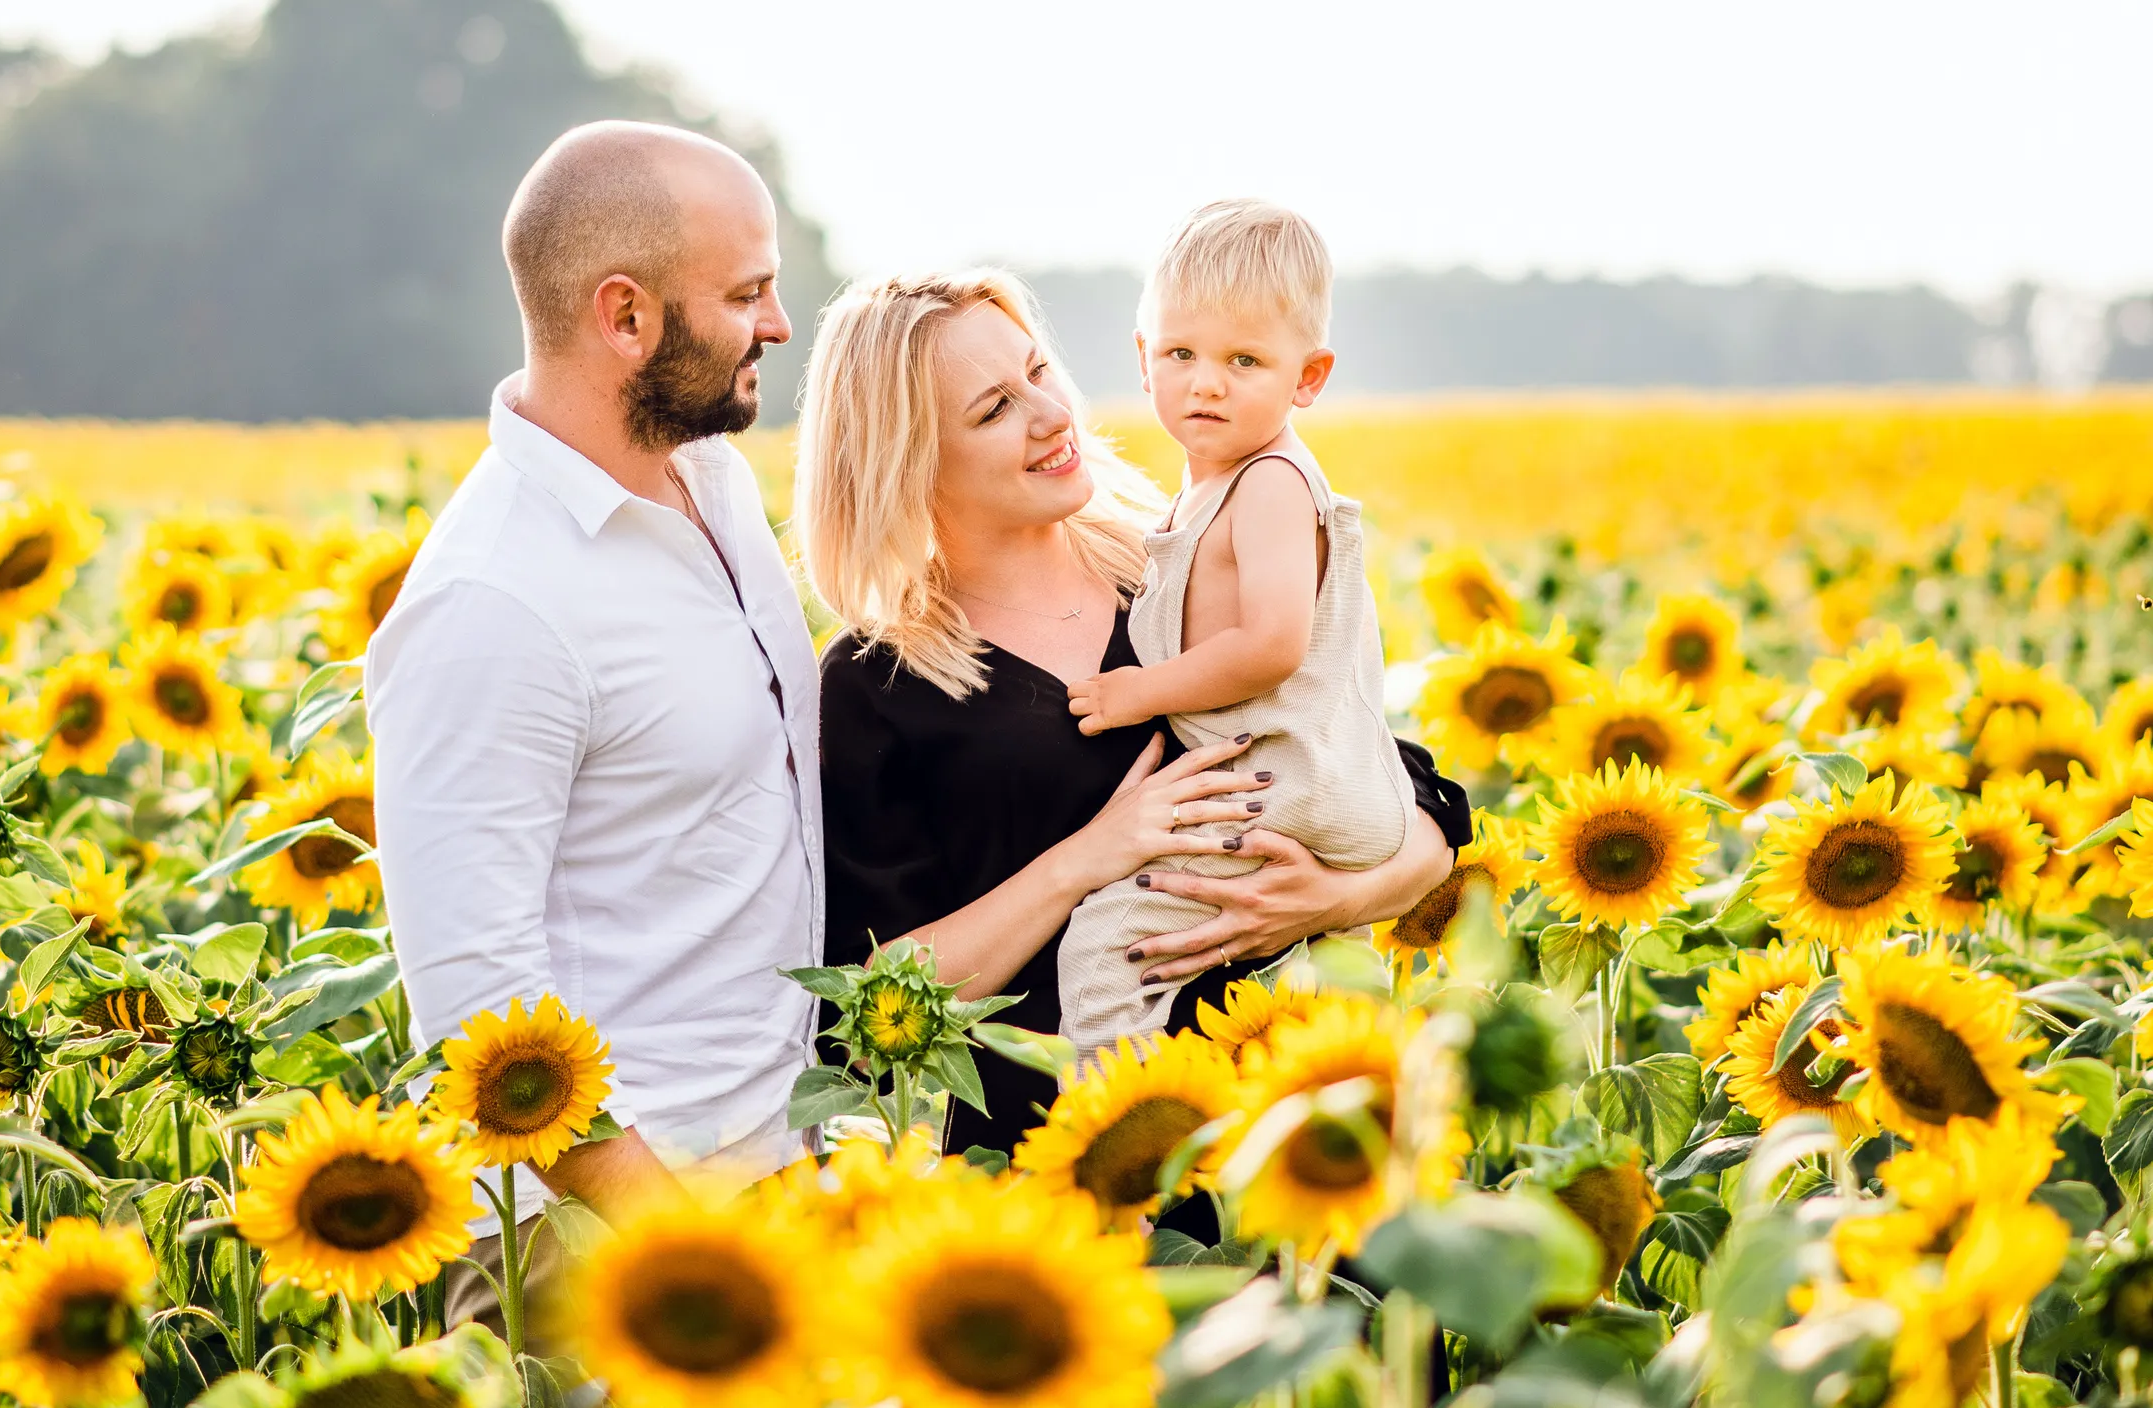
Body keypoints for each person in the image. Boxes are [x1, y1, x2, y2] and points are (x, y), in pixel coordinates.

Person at [797, 270, 1468, 1160]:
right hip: (1065, 1156)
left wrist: (1326, 900)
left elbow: (1420, 799)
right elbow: (864, 1007)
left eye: (1039, 371)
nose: (1049, 413)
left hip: (1299, 1124)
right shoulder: (876, 682)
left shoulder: (1178, 565)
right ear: (907, 459)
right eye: (995, 408)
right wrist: (1087, 859)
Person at [367, 121, 821, 1315]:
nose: (777, 324)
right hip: (607, 1251)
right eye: (746, 292)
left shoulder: (707, 475)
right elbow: (480, 1017)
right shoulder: (493, 601)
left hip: (777, 1179)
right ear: (624, 317)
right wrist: (693, 1261)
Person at [1057, 200, 1416, 1055]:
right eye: (1181, 353)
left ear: (1310, 376)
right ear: (1144, 360)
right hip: (1302, 785)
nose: (1205, 381)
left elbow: (1272, 645)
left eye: (1243, 359)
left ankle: (1122, 1135)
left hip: (1278, 786)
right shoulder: (1214, 488)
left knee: (1107, 950)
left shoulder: (1270, 485)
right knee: (1321, 997)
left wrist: (1139, 690)